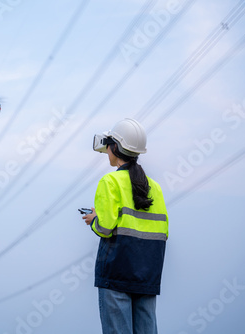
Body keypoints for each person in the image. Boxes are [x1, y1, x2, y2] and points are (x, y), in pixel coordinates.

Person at [82, 118, 169, 334]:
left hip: (117, 273)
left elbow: (105, 227)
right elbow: (162, 232)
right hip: (148, 274)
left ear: (114, 147)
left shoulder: (110, 182)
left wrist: (93, 219)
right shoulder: (155, 187)